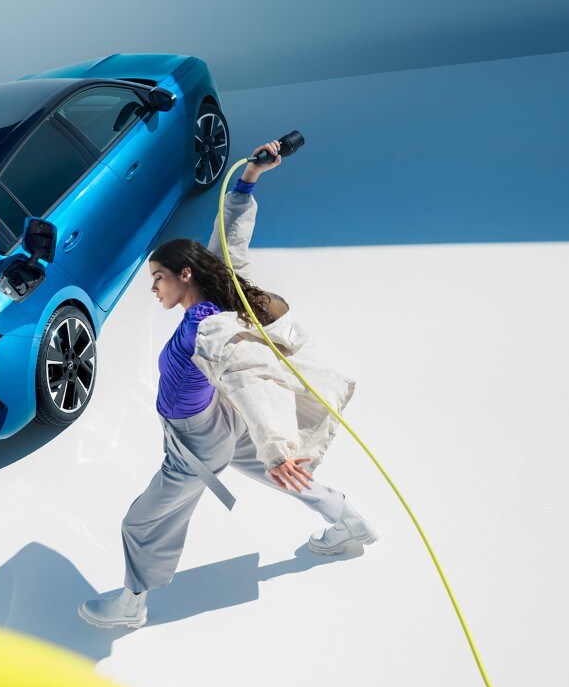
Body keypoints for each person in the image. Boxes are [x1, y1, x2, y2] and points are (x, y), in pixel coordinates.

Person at [79, 140, 379, 629]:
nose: (153, 288)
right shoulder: (226, 290)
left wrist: (278, 446)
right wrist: (249, 178)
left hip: (196, 441)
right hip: (219, 423)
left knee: (140, 522)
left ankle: (130, 607)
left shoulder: (212, 329)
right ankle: (349, 522)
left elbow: (250, 381)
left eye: (157, 278)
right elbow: (230, 236)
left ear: (185, 274)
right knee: (274, 473)